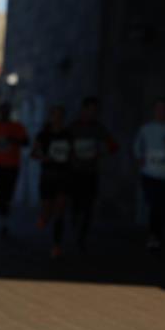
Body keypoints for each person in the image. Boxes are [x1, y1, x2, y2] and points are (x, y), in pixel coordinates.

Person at [68, 96, 118, 251]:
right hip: (75, 172)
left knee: (89, 205)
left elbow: (113, 145)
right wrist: (71, 155)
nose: (92, 114)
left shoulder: (98, 128)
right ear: (83, 110)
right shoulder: (74, 128)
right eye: (89, 110)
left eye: (94, 111)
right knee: (76, 202)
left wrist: (102, 153)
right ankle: (75, 219)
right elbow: (63, 145)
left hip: (91, 172)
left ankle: (82, 236)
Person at [133, 98, 165, 251]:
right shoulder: (146, 129)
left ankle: (156, 235)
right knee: (152, 203)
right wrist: (140, 157)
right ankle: (152, 234)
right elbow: (136, 146)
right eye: (158, 109)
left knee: (161, 206)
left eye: (163, 109)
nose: (160, 112)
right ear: (154, 111)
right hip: (149, 173)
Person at [32, 106, 73, 257]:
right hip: (48, 175)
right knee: (47, 209)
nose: (57, 119)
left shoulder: (68, 135)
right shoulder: (44, 135)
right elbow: (33, 153)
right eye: (54, 115)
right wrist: (44, 157)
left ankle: (57, 245)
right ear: (50, 117)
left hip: (63, 175)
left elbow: (74, 153)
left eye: (60, 115)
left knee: (60, 211)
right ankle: (44, 217)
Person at [0, 102, 29, 236]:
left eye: (6, 110)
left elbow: (26, 142)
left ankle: (5, 214)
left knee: (8, 192)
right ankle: (2, 218)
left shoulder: (17, 127)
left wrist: (13, 140)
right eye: (2, 110)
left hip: (12, 164)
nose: (4, 113)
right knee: (0, 191)